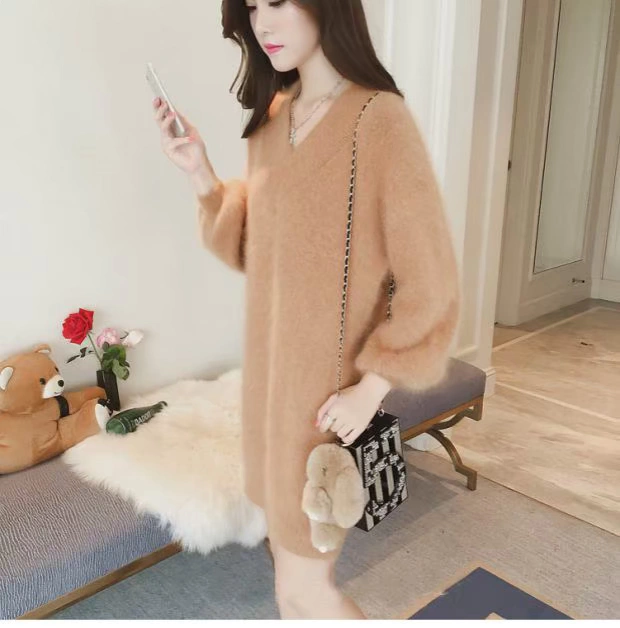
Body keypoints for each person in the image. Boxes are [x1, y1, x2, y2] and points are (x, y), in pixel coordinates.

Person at [152, 0, 460, 619]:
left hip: (326, 407)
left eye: (278, 2)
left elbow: (430, 281)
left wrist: (371, 389)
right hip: (270, 398)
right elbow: (259, 251)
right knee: (287, 584)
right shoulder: (273, 119)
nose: (262, 23)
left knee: (305, 591)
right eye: (252, 6)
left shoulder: (378, 119)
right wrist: (200, 172)